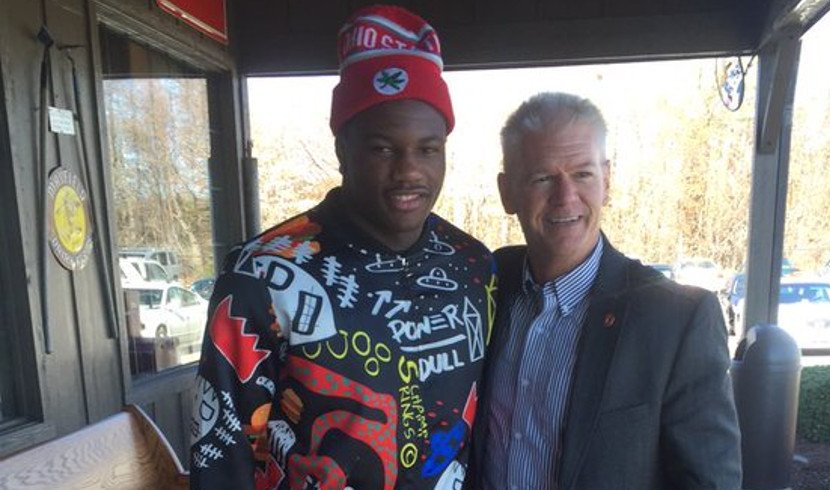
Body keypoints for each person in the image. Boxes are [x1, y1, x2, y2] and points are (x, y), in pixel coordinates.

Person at [189, 6, 495, 489]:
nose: (409, 170)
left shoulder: (473, 265)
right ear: (341, 150)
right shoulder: (262, 274)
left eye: (428, 148)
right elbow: (223, 453)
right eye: (382, 148)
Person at [470, 92, 741, 489]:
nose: (566, 197)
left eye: (582, 174)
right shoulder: (482, 289)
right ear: (507, 191)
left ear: (607, 181)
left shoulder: (676, 319)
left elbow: (708, 482)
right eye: (542, 177)